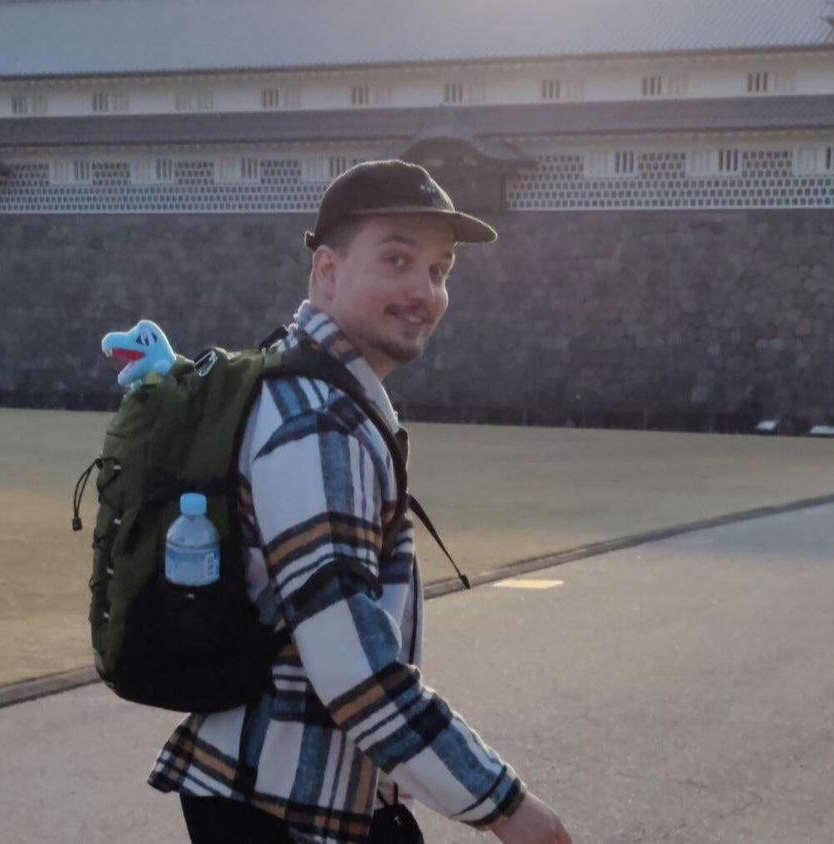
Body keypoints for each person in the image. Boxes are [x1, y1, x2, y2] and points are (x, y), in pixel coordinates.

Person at [149, 160, 573, 844]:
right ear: (326, 272)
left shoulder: (313, 394)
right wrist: (508, 808)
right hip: (287, 805)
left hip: (272, 785)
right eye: (397, 259)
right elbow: (352, 662)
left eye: (439, 270)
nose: (424, 291)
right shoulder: (318, 420)